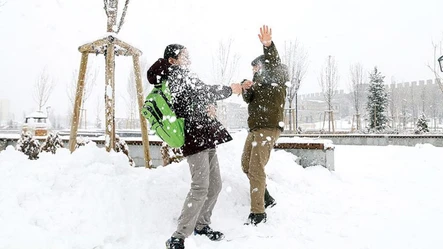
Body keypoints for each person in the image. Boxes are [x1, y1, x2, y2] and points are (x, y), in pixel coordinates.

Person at [147, 44, 243, 249]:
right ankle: (178, 236)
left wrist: (211, 106)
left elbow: (199, 97)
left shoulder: (184, 74)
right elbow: (203, 92)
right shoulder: (175, 75)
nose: (188, 58)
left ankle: (202, 225)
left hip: (205, 134)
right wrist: (230, 90)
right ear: (173, 60)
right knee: (200, 187)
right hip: (194, 137)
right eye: (184, 55)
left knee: (215, 185)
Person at [240, 25, 289, 225]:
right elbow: (248, 99)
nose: (254, 71)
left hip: (268, 128)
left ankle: (258, 213)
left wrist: (267, 45)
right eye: (252, 70)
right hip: (255, 129)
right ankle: (266, 197)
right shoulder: (258, 83)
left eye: (256, 68)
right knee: (246, 165)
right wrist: (246, 87)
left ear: (264, 66)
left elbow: (274, 62)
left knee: (256, 168)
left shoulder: (277, 75)